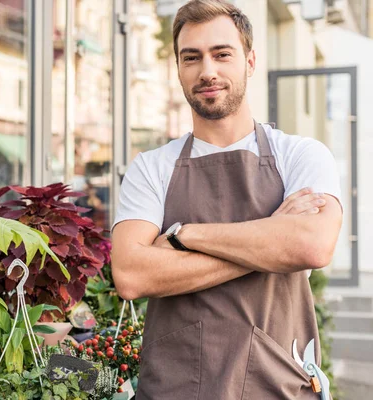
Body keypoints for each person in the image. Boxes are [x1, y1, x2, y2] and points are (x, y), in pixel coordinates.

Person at [110, 0, 343, 399]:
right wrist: (270, 238)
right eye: (191, 58)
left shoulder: (301, 155)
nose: (207, 71)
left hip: (278, 384)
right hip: (175, 388)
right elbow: (132, 275)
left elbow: (312, 245)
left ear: (249, 62)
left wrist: (183, 236)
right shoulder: (151, 168)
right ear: (179, 69)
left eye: (222, 54)